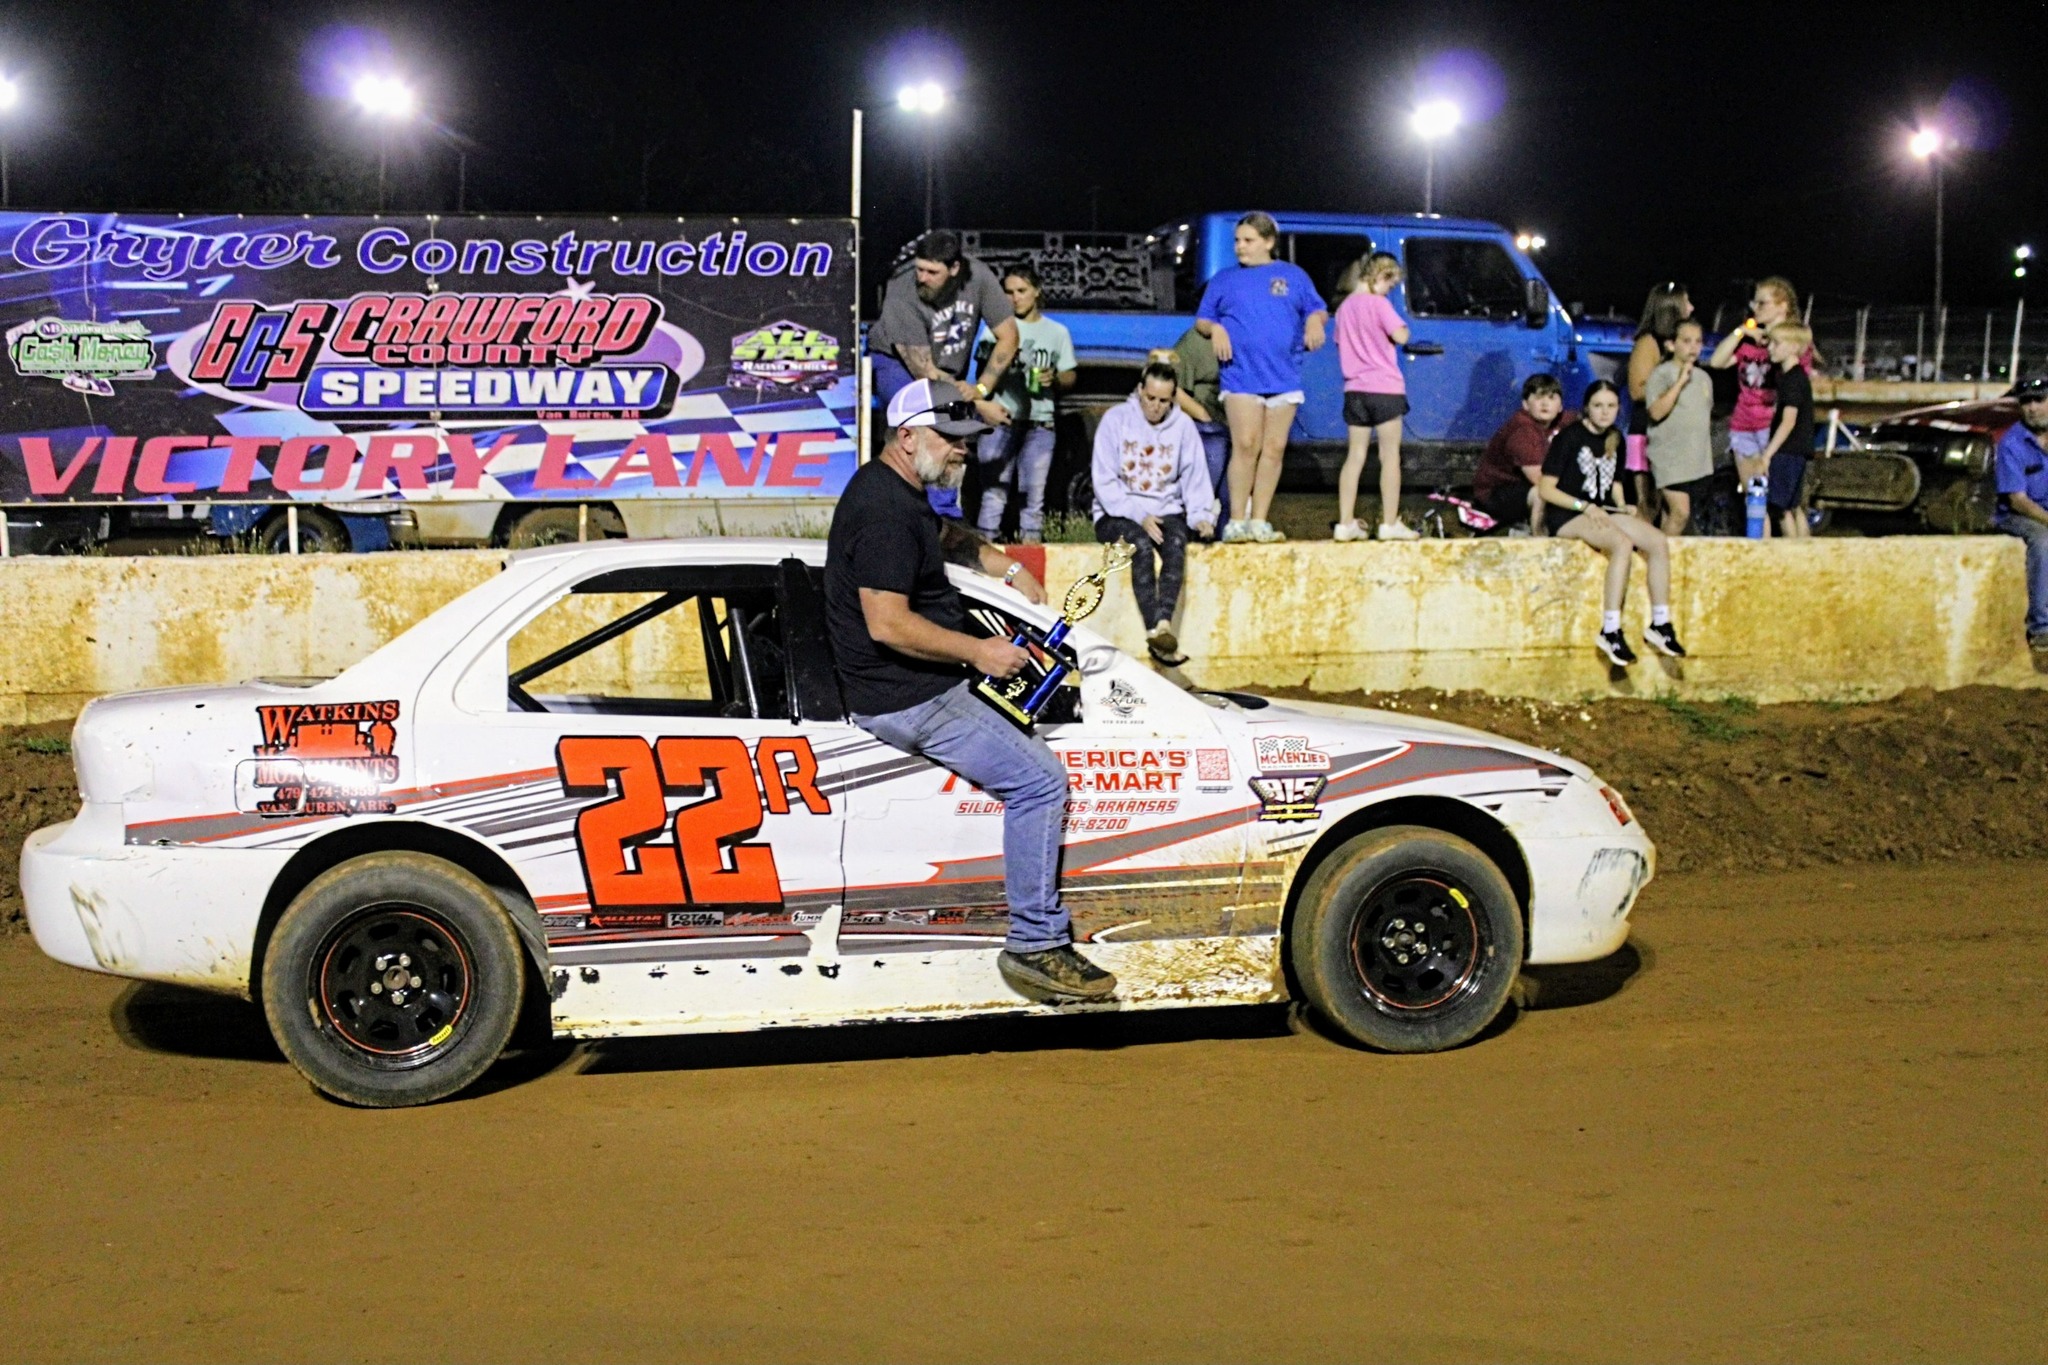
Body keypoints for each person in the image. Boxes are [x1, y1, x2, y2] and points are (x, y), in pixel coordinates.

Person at [823, 378, 1115, 1002]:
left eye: (965, 438)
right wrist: (980, 651)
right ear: (907, 437)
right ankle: (1036, 942)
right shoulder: (883, 513)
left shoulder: (895, 491)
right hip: (907, 697)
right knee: (1041, 781)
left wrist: (1008, 567)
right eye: (950, 438)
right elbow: (888, 624)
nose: (964, 449)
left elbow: (943, 537)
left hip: (911, 684)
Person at [865, 230, 1020, 518]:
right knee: (927, 417)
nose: (922, 277)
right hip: (897, 362)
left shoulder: (979, 277)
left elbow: (1009, 336)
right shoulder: (902, 289)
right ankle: (932, 511)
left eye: (932, 272)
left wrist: (981, 388)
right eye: (920, 269)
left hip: (946, 371)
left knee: (952, 423)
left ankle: (945, 516)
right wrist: (978, 405)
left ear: (954, 268)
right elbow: (923, 371)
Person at [1195, 211, 1328, 543]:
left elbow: (1316, 308)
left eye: (1248, 240)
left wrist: (1315, 321)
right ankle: (1236, 520)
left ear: (1268, 242)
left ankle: (1259, 520)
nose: (1240, 246)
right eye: (1237, 240)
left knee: (1274, 449)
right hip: (1241, 375)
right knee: (1246, 445)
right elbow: (1203, 319)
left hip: (1282, 375)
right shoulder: (1224, 279)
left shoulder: (1292, 276)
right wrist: (1216, 329)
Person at [1537, 380, 1688, 667]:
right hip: (1569, 514)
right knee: (1621, 543)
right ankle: (1610, 629)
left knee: (1657, 541)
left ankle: (1660, 623)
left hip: (1602, 510)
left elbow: (1614, 483)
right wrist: (1583, 506)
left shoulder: (1616, 438)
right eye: (1598, 406)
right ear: (1587, 408)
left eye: (1611, 406)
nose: (1605, 412)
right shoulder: (1569, 437)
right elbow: (1546, 489)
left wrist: (1623, 505)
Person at [1092, 362, 1220, 666]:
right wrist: (1137, 514)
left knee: (1175, 544)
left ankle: (1164, 625)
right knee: (1140, 545)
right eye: (1150, 398)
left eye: (1163, 400)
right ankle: (1154, 631)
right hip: (1116, 511)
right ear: (1140, 390)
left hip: (1165, 510)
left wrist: (1201, 516)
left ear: (1173, 398)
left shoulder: (1183, 426)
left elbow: (1194, 476)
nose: (1155, 406)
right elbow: (1104, 481)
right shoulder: (1116, 420)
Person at [971, 264, 1075, 542]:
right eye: (1008, 292)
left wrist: (1054, 378)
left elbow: (1070, 374)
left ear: (1036, 291)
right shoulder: (995, 330)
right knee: (993, 495)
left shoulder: (1057, 332)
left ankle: (1031, 554)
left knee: (1033, 499)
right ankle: (986, 552)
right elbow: (981, 373)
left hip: (1040, 423)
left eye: (1021, 291)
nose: (1015, 298)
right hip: (1000, 419)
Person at [1333, 252, 1417, 541]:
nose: (1389, 290)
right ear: (1382, 274)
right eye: (1390, 284)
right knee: (1389, 456)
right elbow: (1401, 336)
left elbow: (1340, 343)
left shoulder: (1344, 308)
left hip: (1354, 389)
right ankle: (1389, 523)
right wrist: (1403, 328)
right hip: (1384, 388)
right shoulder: (1379, 304)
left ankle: (1345, 522)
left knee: (1355, 455)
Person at [1708, 275, 1805, 513]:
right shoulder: (1751, 342)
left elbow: (1796, 384)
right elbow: (1717, 361)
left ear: (1782, 306)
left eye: (1762, 303)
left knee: (1781, 506)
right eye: (1754, 303)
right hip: (1744, 424)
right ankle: (1758, 537)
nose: (1755, 309)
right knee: (1754, 499)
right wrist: (1741, 331)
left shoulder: (1791, 342)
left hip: (1771, 427)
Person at [1473, 374, 1572, 535]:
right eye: (1538, 398)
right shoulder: (1522, 430)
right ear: (1525, 404)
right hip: (1496, 492)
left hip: (1523, 486)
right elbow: (1540, 480)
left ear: (1560, 406)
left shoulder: (1564, 420)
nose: (1545, 403)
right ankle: (1539, 540)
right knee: (1542, 493)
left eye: (1551, 398)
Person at [1991, 374, 2048, 652]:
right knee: (2043, 541)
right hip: (2017, 516)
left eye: (2039, 400)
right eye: (2026, 402)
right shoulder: (2011, 443)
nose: (2032, 408)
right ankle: (2041, 628)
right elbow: (2017, 500)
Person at [1644, 317, 1716, 536]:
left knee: (1674, 517)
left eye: (1698, 341)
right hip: (1670, 458)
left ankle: (1663, 552)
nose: (1693, 347)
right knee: (1680, 513)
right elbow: (1656, 412)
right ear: (1671, 344)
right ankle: (1657, 552)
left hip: (1694, 459)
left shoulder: (1704, 378)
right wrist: (1680, 383)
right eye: (1686, 341)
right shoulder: (1662, 374)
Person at [1627, 283, 1692, 514]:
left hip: (1672, 434)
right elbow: (1637, 390)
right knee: (1650, 508)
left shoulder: (1680, 344)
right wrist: (1676, 387)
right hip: (1647, 432)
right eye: (1686, 302)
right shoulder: (1648, 342)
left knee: (1672, 512)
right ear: (1671, 308)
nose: (1692, 308)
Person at [1163, 327, 1231, 540]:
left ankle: (1225, 544)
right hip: (1208, 430)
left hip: (1240, 430)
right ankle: (1187, 542)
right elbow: (1171, 386)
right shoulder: (1196, 340)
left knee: (1232, 500)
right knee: (1200, 496)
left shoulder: (1248, 335)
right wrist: (1203, 415)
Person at [1757, 322, 1815, 539]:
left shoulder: (1792, 380)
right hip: (1797, 450)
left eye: (1776, 343)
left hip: (1788, 450)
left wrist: (1767, 455)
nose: (1770, 348)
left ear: (1794, 347)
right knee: (1793, 507)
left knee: (1780, 509)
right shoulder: (1796, 376)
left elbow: (1788, 421)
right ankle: (1802, 550)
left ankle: (1791, 551)